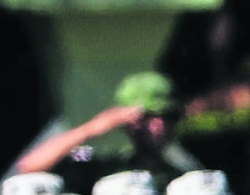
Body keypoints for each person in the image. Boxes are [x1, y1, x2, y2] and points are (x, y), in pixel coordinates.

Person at [10, 70, 187, 179]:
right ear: (125, 120)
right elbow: (28, 167)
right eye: (147, 116)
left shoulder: (179, 179)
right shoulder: (106, 170)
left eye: (169, 116)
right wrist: (90, 129)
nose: (160, 125)